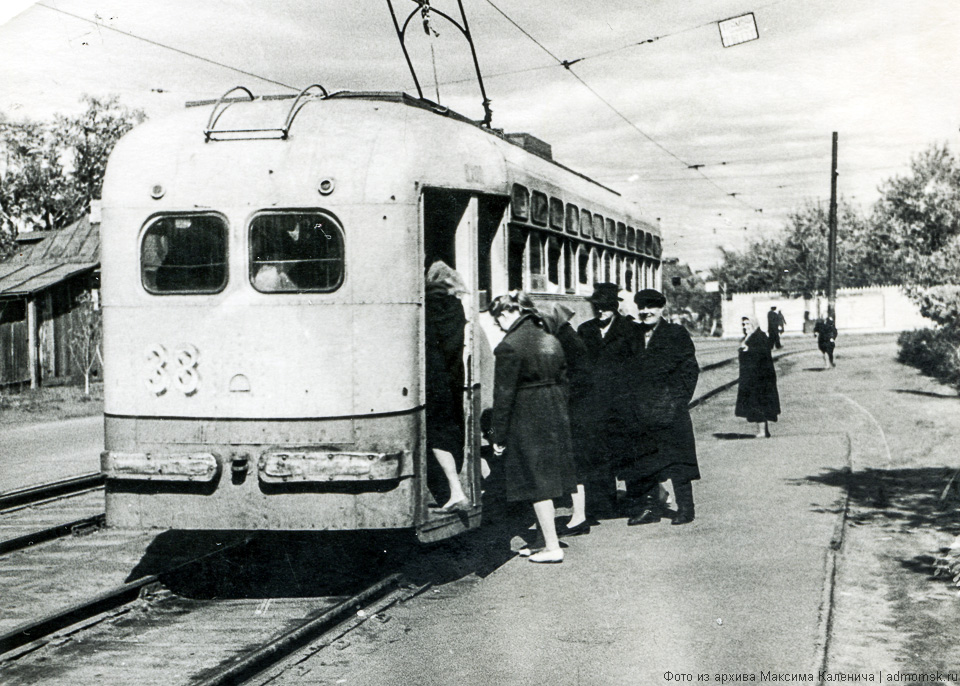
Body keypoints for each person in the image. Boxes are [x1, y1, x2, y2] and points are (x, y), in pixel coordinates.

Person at [488, 291, 578, 564]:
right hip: (554, 410)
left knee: (536, 482)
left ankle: (552, 547)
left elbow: (503, 395)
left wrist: (497, 434)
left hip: (527, 414)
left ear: (506, 313)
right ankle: (541, 540)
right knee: (547, 476)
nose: (498, 326)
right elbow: (565, 380)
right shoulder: (550, 338)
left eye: (497, 320)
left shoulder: (509, 346)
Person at [623, 288, 701, 526]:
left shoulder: (675, 333)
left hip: (670, 410)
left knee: (678, 460)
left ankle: (686, 508)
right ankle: (650, 509)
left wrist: (677, 401)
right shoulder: (634, 335)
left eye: (651, 307)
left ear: (661, 309)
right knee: (645, 460)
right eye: (642, 308)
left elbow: (690, 370)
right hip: (641, 410)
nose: (646, 312)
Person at [576, 283, 643, 519]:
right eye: (597, 308)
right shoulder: (585, 330)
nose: (600, 312)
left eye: (605, 308)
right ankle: (602, 505)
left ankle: (638, 505)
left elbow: (638, 367)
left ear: (614, 307)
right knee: (598, 454)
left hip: (622, 404)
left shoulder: (630, 329)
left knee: (627, 454)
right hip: (594, 404)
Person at [540, 302, 592, 537]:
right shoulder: (566, 335)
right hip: (576, 409)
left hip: (575, 411)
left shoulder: (566, 340)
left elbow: (579, 378)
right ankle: (578, 516)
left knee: (574, 464)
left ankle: (579, 517)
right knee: (573, 464)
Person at [424, 260, 469, 513]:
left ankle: (455, 491)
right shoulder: (456, 306)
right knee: (449, 431)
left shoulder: (428, 305)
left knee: (435, 434)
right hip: (453, 377)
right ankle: (459, 488)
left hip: (432, 378)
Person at [735, 316, 781, 438]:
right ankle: (763, 430)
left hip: (760, 377)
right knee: (756, 402)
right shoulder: (750, 337)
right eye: (744, 325)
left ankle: (762, 431)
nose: (745, 327)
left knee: (759, 402)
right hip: (753, 376)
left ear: (754, 325)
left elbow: (762, 354)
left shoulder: (760, 337)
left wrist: (748, 350)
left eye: (748, 324)